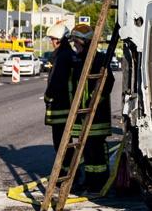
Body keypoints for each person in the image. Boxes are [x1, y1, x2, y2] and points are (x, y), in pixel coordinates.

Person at [69, 23, 113, 194]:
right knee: (86, 151)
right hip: (82, 115)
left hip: (97, 116)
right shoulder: (79, 60)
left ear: (85, 42)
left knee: (97, 152)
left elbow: (108, 82)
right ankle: (89, 180)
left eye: (77, 43)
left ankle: (100, 182)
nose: (75, 47)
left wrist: (95, 102)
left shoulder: (99, 60)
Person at [43, 23, 74, 156]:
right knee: (67, 142)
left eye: (52, 39)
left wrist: (47, 97)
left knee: (61, 143)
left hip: (60, 107)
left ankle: (65, 173)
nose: (51, 42)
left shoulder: (61, 58)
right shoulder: (70, 55)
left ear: (58, 40)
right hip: (68, 106)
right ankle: (69, 171)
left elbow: (56, 82)